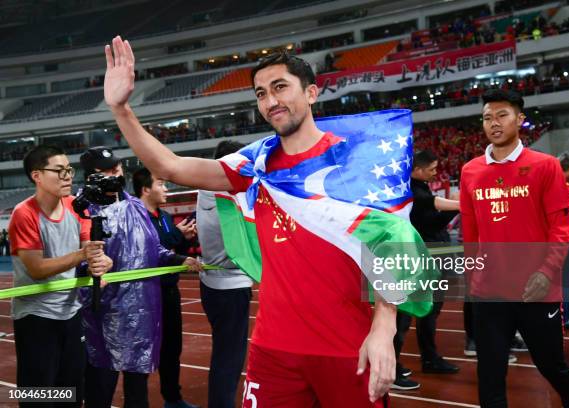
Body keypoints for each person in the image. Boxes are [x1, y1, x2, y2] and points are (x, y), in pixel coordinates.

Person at [104, 36, 398, 407]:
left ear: (311, 92)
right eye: (260, 93)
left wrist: (384, 328)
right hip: (273, 350)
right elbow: (170, 166)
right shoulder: (254, 165)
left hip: (348, 348)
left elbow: (393, 245)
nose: (270, 101)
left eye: (279, 87)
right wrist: (121, 109)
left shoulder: (357, 163)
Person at [460, 89, 569, 407]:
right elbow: (471, 231)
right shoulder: (470, 171)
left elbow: (561, 227)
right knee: (489, 373)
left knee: (551, 365)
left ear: (520, 120)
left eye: (502, 115)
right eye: (487, 117)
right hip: (490, 293)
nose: (494, 123)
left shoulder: (545, 166)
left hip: (537, 290)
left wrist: (546, 272)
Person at [78, 146, 201, 408]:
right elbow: (76, 258)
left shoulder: (135, 205)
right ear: (91, 176)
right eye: (107, 171)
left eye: (117, 168)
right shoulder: (82, 209)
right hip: (103, 311)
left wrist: (180, 259)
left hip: (141, 310)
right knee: (100, 385)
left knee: (137, 388)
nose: (115, 174)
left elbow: (153, 247)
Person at [9, 145, 112, 407]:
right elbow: (37, 269)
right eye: (59, 170)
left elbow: (93, 252)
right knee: (39, 395)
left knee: (71, 389)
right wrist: (82, 255)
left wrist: (102, 263)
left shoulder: (75, 206)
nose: (68, 176)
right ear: (37, 176)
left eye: (69, 169)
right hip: (36, 316)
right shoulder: (24, 214)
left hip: (70, 312)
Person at [132, 167, 199, 408]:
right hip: (144, 296)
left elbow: (173, 253)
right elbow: (152, 251)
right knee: (141, 354)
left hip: (169, 293)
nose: (166, 189)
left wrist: (185, 239)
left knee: (172, 349)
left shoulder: (167, 218)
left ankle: (173, 399)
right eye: (161, 185)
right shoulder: (135, 218)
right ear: (146, 189)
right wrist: (174, 245)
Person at [392, 149, 459, 391]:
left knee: (429, 312)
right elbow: (430, 215)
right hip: (415, 260)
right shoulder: (410, 191)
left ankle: (429, 358)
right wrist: (460, 205)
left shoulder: (422, 187)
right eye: (431, 169)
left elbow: (433, 218)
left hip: (434, 257)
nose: (435, 173)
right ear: (417, 169)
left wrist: (455, 208)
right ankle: (392, 368)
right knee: (403, 316)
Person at [196, 140, 253, 408]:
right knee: (229, 358)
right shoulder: (227, 197)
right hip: (230, 285)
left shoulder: (205, 190)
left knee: (224, 354)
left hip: (211, 283)